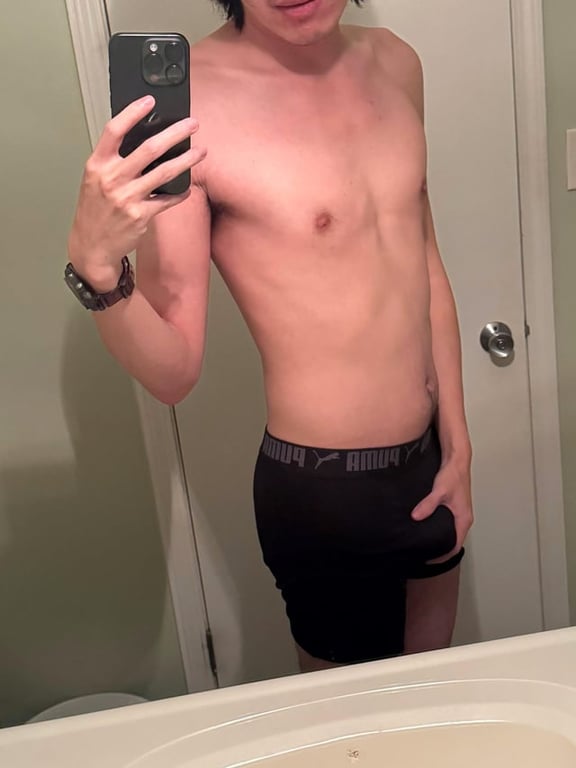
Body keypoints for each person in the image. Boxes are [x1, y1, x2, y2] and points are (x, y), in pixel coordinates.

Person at [66, 0, 473, 673]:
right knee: (346, 726)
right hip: (323, 492)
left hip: (430, 465)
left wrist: (458, 446)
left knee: (432, 703)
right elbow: (173, 371)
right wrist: (96, 270)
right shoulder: (190, 109)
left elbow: (426, 262)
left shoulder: (397, 63)